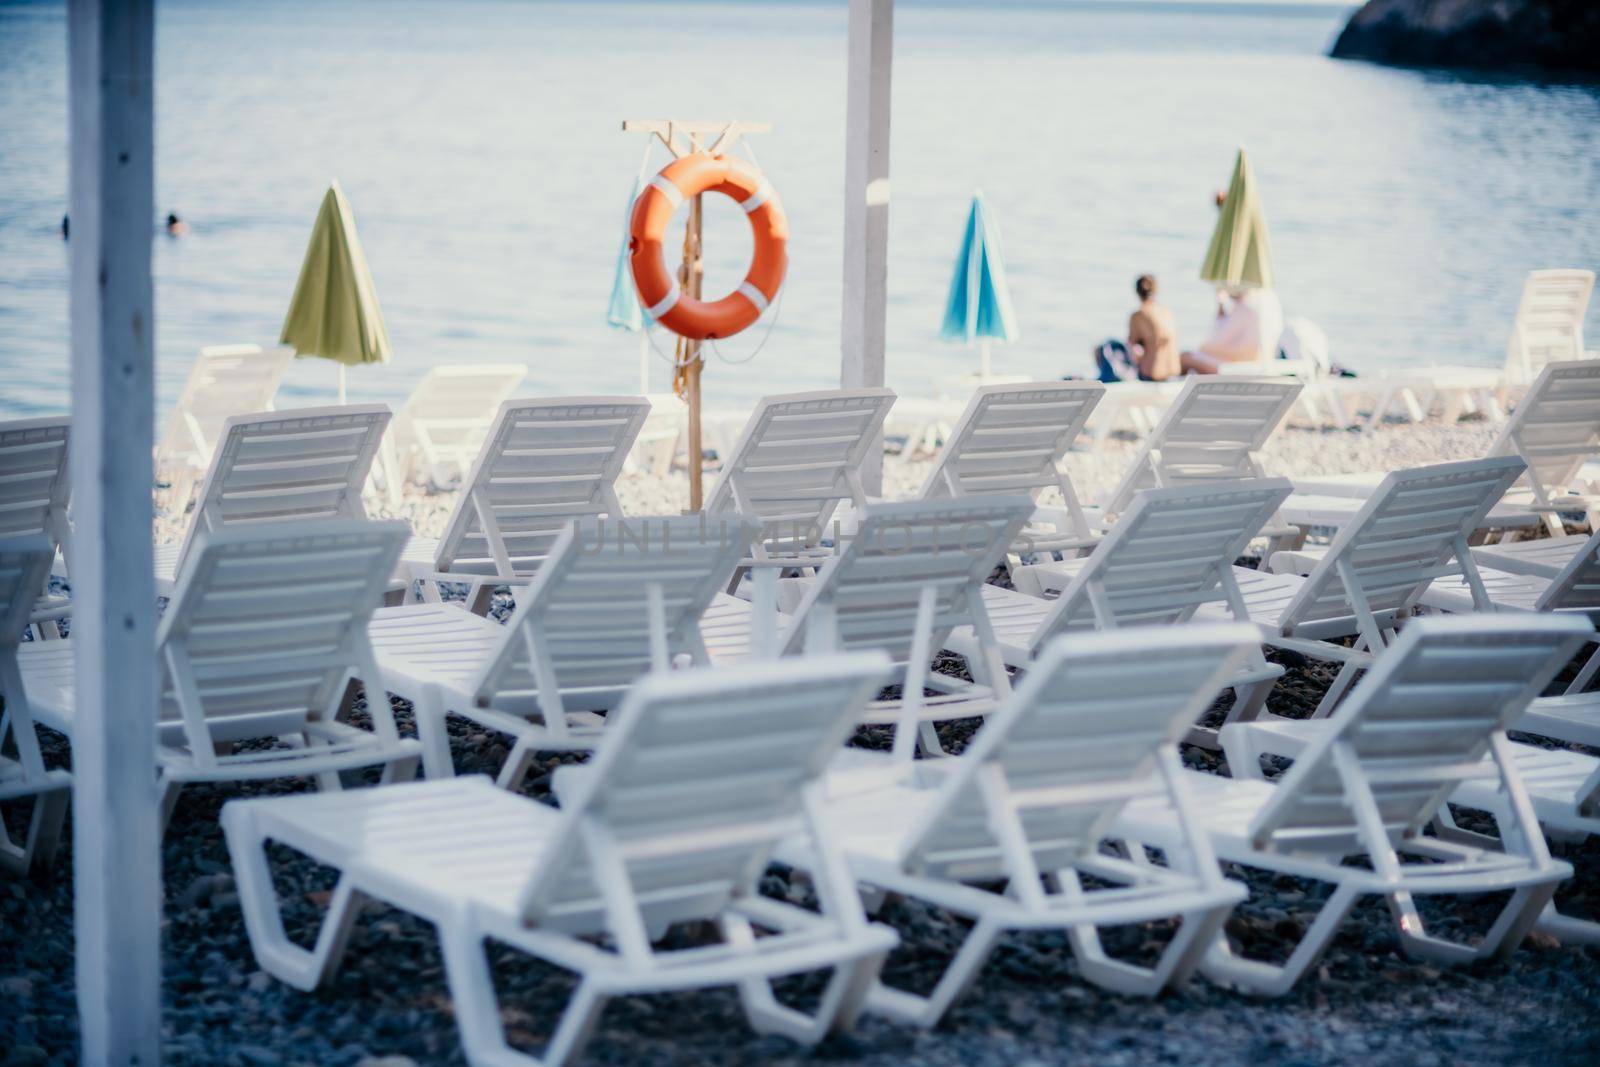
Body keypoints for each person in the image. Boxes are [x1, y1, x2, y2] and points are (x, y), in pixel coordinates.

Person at [1181, 286, 1283, 374]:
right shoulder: (1269, 299)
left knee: (1185, 357)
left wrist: (1220, 306)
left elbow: (1212, 343)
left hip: (1240, 368)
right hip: (1262, 364)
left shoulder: (1245, 305)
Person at [1125, 274, 1180, 381]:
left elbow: (1130, 345)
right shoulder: (1167, 311)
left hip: (1152, 374)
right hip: (1174, 370)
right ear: (1155, 290)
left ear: (1137, 292)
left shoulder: (1138, 315)